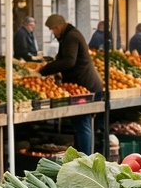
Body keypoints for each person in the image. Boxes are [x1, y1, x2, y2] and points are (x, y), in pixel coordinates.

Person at [41, 14, 103, 154]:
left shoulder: (71, 37)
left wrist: (46, 70)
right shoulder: (68, 36)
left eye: (53, 30)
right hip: (81, 85)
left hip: (84, 86)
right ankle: (82, 157)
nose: (53, 33)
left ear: (59, 27)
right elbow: (63, 59)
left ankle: (85, 159)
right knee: (80, 124)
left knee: (82, 124)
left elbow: (69, 60)